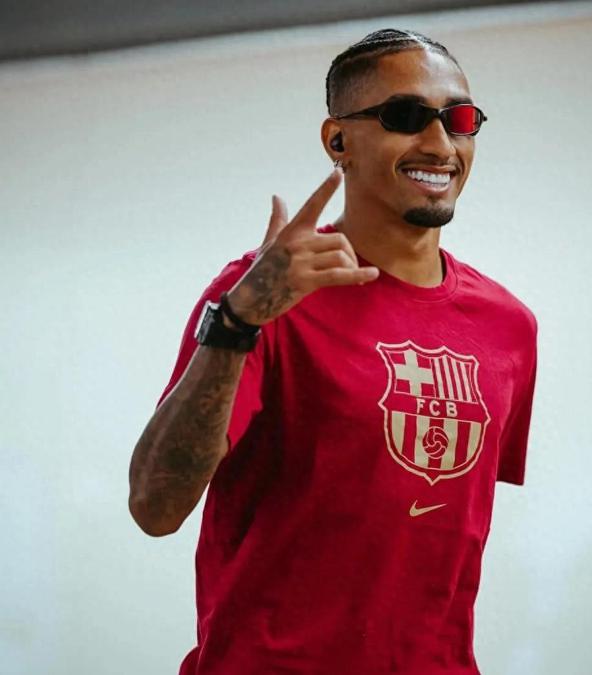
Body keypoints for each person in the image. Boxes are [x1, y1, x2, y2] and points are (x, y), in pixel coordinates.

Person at [129, 28, 538, 675]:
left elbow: (422, 523)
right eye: (406, 116)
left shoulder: (508, 327)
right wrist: (237, 322)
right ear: (337, 141)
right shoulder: (262, 295)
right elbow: (155, 506)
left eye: (459, 120)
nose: (440, 144)